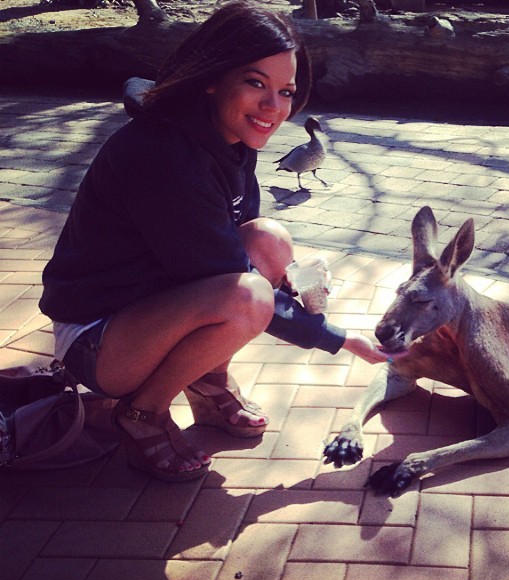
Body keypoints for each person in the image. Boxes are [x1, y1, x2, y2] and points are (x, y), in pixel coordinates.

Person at [39, 0, 388, 483]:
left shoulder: (229, 140)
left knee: (269, 240)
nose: (274, 107)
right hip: (97, 338)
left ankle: (206, 381)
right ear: (212, 77)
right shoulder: (165, 155)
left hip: (154, 304)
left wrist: (291, 289)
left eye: (285, 90)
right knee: (247, 297)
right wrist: (339, 339)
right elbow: (229, 279)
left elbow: (234, 248)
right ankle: (141, 413)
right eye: (255, 83)